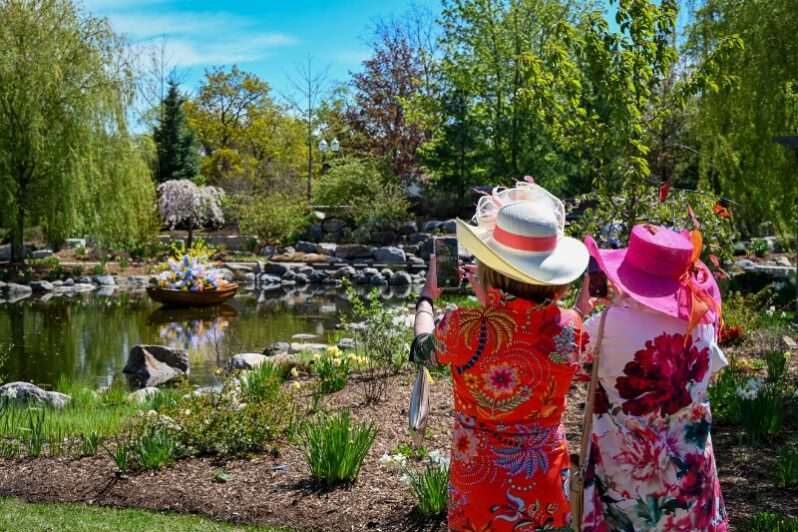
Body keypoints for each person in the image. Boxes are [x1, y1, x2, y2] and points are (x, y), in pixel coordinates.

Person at [411, 182, 589, 531]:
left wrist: (427, 297)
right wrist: (489, 295)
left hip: (481, 484)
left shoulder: (464, 327)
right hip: (545, 481)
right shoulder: (570, 326)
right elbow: (524, 321)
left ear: (491, 265)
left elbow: (423, 351)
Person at [574, 224, 728, 531]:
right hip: (691, 475)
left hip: (627, 481)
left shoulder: (602, 327)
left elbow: (576, 370)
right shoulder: (702, 322)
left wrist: (584, 309)